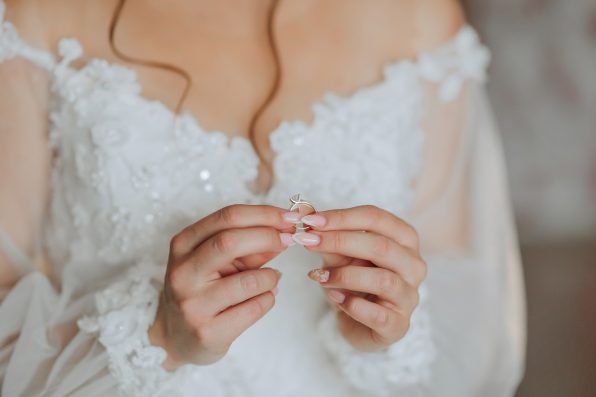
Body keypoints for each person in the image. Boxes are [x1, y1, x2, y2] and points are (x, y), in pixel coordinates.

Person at [0, 0, 526, 396]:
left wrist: (385, 327)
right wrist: (154, 338)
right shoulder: (38, 16)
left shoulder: (416, 15)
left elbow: (469, 295)